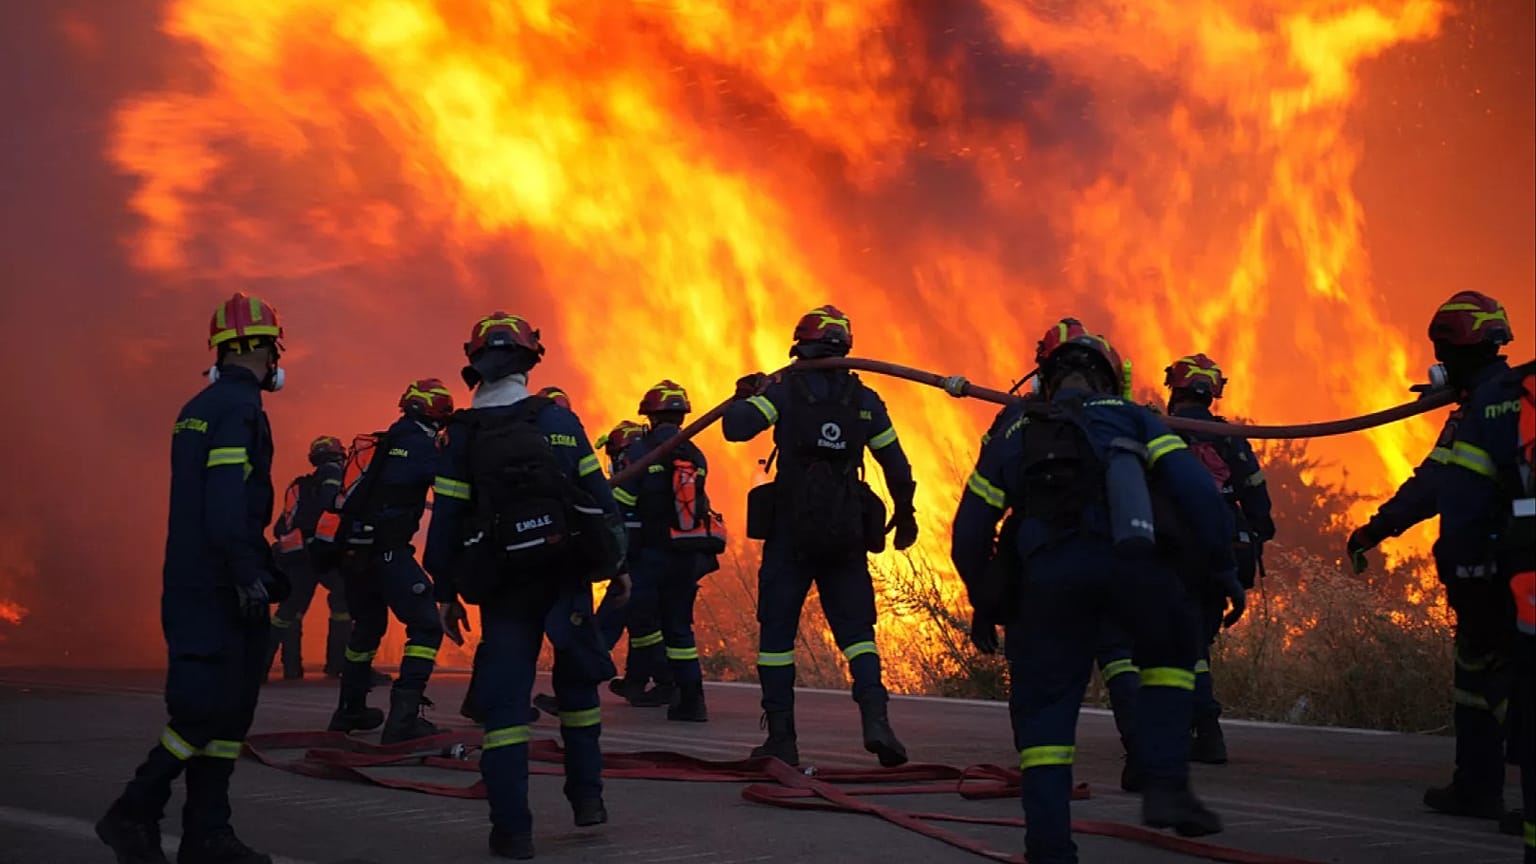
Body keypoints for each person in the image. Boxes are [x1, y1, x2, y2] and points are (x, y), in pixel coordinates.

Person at [952, 325, 1242, 863]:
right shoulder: (1134, 418)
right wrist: (1223, 569)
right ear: (1110, 379)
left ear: (1045, 378)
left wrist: (986, 598)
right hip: (1134, 568)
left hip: (1047, 583)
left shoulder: (1015, 427)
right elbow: (1199, 495)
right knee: (1173, 652)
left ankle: (1049, 849)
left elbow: (969, 533)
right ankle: (1164, 780)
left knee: (1045, 722)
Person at [425, 312, 631, 860]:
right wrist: (618, 563)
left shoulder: (461, 435)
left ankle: (512, 831)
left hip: (503, 586)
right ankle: (587, 799)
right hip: (565, 575)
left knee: (506, 707)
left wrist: (445, 590)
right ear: (530, 362)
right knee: (578, 688)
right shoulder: (558, 420)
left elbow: (446, 520)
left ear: (475, 365)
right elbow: (600, 500)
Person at [97, 292, 289, 864]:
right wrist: (247, 574)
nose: (276, 360)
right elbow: (226, 503)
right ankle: (133, 810)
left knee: (229, 714)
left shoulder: (199, 406)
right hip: (216, 585)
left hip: (201, 578)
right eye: (274, 349)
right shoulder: (239, 409)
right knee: (204, 711)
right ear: (262, 349)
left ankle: (208, 833)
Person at [1347, 291, 1522, 821]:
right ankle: (1475, 786)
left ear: (1459, 352)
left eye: (1443, 353)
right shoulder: (1515, 397)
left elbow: (1441, 486)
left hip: (1496, 566)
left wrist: (1377, 530)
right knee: (1477, 676)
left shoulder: (1485, 410)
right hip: (1508, 565)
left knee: (1503, 677)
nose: (1440, 364)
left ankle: (1491, 787)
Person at [723, 304, 918, 767]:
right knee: (857, 633)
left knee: (777, 635)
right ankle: (876, 721)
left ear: (800, 345)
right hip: (845, 532)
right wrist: (905, 513)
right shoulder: (864, 400)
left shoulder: (784, 390)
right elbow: (896, 463)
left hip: (791, 534)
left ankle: (782, 740)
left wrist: (745, 396)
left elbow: (735, 428)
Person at [323, 379, 454, 743]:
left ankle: (349, 709)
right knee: (426, 625)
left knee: (367, 628)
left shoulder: (388, 440)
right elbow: (449, 484)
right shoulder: (419, 445)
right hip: (386, 550)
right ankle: (403, 719)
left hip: (355, 553)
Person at [1163, 353, 1277, 763]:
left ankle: (1200, 730)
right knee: (1196, 642)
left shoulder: (1160, 433)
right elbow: (1260, 508)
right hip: (1222, 556)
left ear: (1175, 390)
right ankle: (1195, 729)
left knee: (1177, 646)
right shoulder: (1230, 440)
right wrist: (1252, 537)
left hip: (1173, 555)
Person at [613, 381, 723, 722]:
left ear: (651, 416)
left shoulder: (640, 452)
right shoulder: (695, 454)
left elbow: (621, 504)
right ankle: (691, 700)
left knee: (631, 617)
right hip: (685, 555)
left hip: (649, 555)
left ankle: (578, 689)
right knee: (679, 629)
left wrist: (618, 557)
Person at [266, 435, 364, 682]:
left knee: (290, 611)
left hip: (297, 555)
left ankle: (276, 667)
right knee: (343, 603)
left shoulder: (299, 486)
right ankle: (337, 665)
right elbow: (334, 508)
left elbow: (281, 526)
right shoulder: (335, 476)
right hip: (323, 553)